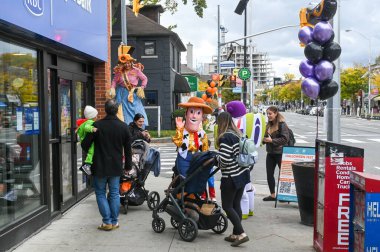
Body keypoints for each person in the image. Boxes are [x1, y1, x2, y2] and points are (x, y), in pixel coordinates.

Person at [92, 99, 132, 231]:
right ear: (117, 110)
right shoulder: (124, 127)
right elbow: (128, 149)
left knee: (100, 193)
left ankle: (107, 221)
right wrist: (128, 166)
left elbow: (85, 144)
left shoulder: (97, 125)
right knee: (114, 193)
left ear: (105, 109)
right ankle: (114, 222)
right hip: (115, 166)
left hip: (100, 165)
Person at [216, 112, 250, 247]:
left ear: (221, 122)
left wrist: (215, 159)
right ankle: (236, 234)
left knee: (227, 206)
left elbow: (223, 160)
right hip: (242, 174)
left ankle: (241, 233)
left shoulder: (226, 137)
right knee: (236, 205)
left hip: (231, 176)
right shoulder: (237, 134)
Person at [110, 51, 148, 126]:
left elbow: (145, 79)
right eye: (125, 63)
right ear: (122, 64)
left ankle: (139, 126)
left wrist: (142, 87)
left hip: (132, 93)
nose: (127, 65)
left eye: (129, 62)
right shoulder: (119, 71)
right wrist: (112, 88)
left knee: (136, 109)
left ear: (131, 62)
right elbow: (114, 81)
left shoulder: (136, 70)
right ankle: (125, 127)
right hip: (121, 93)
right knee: (122, 111)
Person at [262, 106, 289, 201]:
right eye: (267, 114)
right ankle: (273, 195)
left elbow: (285, 139)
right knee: (269, 174)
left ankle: (285, 196)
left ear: (276, 113)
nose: (268, 116)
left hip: (280, 153)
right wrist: (263, 140)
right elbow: (265, 137)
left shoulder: (282, 124)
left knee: (283, 175)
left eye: (270, 113)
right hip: (270, 153)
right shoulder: (268, 124)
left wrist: (271, 140)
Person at [76, 105, 98, 175]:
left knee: (91, 151)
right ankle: (87, 165)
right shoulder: (90, 122)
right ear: (92, 116)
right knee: (91, 151)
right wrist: (92, 129)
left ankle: (87, 165)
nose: (97, 117)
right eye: (96, 116)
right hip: (84, 139)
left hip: (83, 139)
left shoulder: (87, 121)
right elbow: (86, 127)